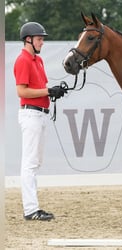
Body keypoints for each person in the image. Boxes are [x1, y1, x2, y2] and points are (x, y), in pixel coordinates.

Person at [13, 22, 67, 221]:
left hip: (41, 113)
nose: (42, 42)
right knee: (29, 163)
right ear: (28, 40)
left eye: (42, 39)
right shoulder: (23, 60)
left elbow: (39, 87)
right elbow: (22, 91)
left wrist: (53, 92)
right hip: (31, 115)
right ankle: (30, 209)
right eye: (39, 39)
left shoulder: (38, 60)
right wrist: (47, 91)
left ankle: (33, 207)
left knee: (35, 162)